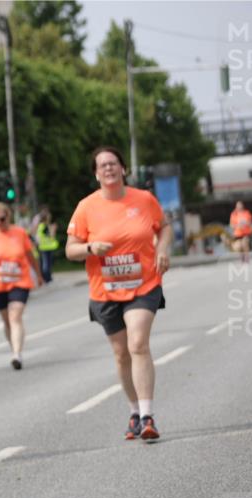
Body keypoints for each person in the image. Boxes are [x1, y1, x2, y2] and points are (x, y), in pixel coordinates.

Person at [66, 146, 172, 441]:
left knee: (138, 343)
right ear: (96, 174)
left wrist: (162, 250)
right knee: (121, 354)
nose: (108, 169)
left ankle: (148, 415)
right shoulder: (86, 207)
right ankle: (134, 412)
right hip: (106, 291)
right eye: (102, 166)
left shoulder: (144, 200)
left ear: (123, 169)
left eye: (113, 163)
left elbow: (164, 228)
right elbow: (70, 250)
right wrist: (90, 248)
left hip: (144, 285)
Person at [0, 202, 43, 370]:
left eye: (2, 219)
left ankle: (17, 354)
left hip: (20, 282)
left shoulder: (19, 234)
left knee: (15, 316)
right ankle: (14, 348)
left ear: (8, 217)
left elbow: (30, 257)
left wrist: (38, 275)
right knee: (6, 320)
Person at [34, 206, 59, 283]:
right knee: (47, 264)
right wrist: (53, 229)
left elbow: (38, 236)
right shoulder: (45, 227)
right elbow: (51, 236)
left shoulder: (40, 226)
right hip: (47, 247)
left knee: (46, 263)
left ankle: (47, 277)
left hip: (43, 247)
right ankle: (47, 277)